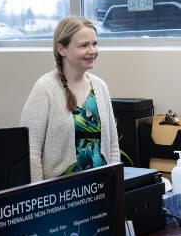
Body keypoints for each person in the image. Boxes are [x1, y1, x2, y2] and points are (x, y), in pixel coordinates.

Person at [21, 16, 120, 182]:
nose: (92, 50)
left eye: (94, 44)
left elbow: (113, 146)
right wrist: (37, 196)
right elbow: (30, 151)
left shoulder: (100, 87)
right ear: (62, 49)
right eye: (84, 45)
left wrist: (114, 186)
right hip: (59, 196)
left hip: (100, 189)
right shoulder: (45, 88)